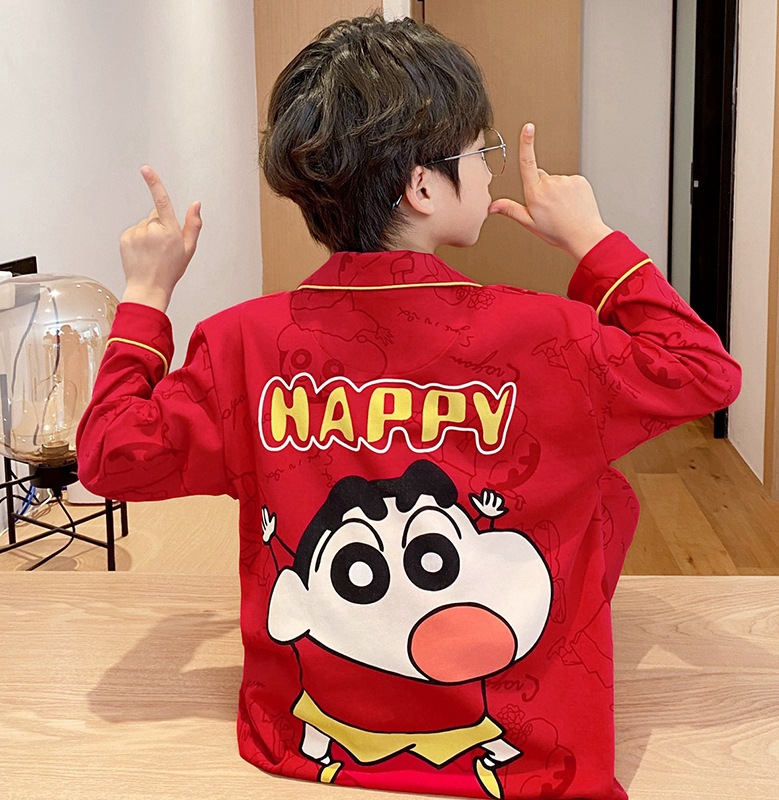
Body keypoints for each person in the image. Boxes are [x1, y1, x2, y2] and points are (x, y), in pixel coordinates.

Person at [77, 13, 741, 800]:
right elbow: (703, 372)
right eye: (480, 154)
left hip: (304, 748)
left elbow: (110, 455)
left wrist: (147, 291)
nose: (490, 174)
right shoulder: (548, 337)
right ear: (422, 186)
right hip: (530, 763)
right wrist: (593, 240)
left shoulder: (242, 345)